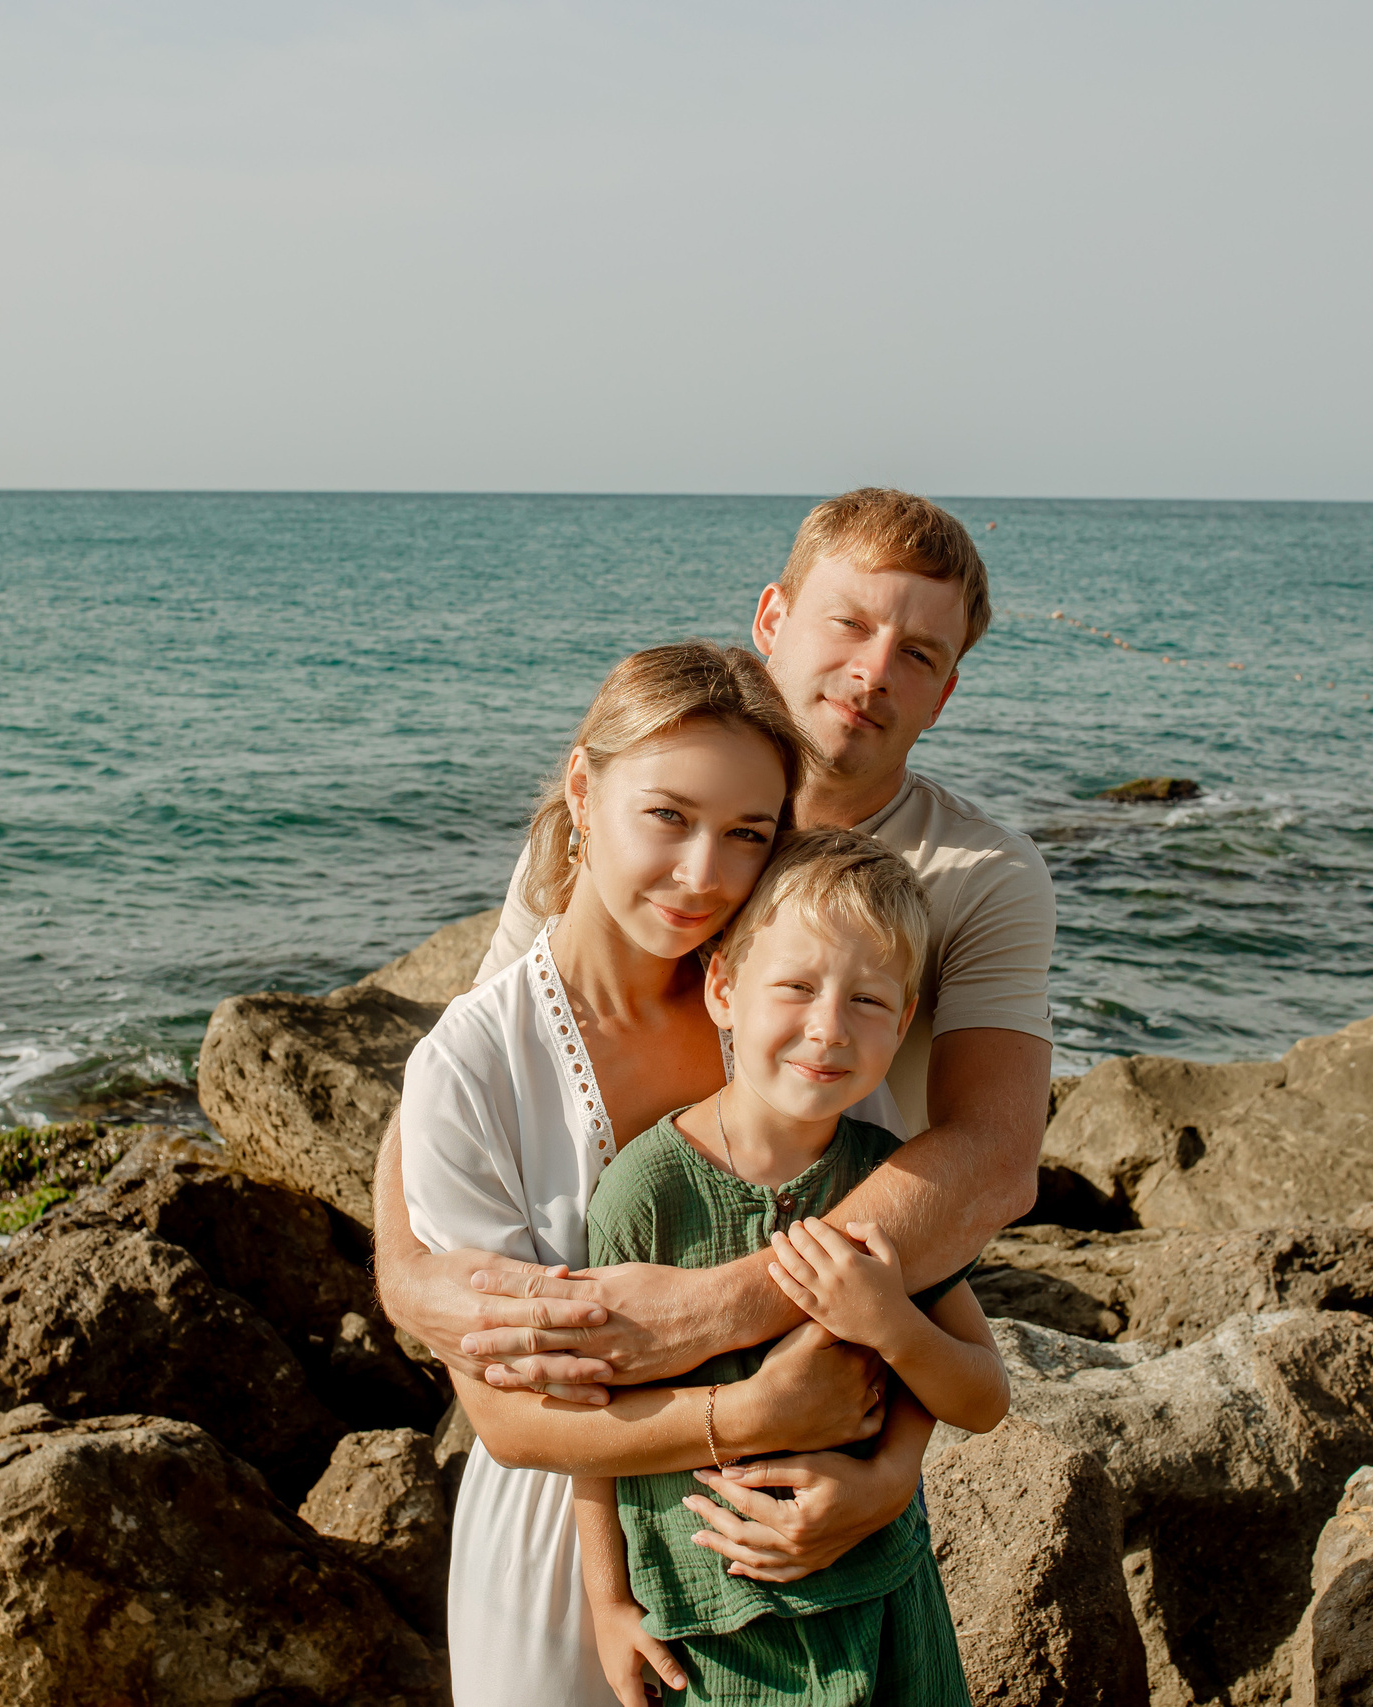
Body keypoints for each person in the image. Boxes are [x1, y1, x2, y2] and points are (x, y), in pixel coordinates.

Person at [379, 489, 1054, 1586]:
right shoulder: (641, 818)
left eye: (919, 653)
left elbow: (993, 1159)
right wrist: (406, 1274)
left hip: (810, 1412)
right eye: (848, 623)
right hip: (595, 1429)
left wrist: (719, 1319)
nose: (873, 671)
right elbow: (468, 1065)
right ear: (772, 618)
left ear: (946, 690)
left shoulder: (981, 876)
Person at [399, 639, 901, 1707]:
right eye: (668, 816)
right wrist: (755, 1413)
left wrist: (888, 1474)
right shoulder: (472, 1066)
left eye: (747, 833)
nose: (704, 874)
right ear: (583, 791)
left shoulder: (787, 1014)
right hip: (557, 1561)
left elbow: (892, 1260)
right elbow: (510, 1419)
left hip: (782, 1554)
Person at [577, 830, 1007, 1706]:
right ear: (724, 988)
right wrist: (608, 1602)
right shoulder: (646, 1192)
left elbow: (984, 1396)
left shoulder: (889, 1185)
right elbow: (591, 1416)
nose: (828, 1027)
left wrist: (891, 1322)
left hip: (886, 1601)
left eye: (868, 1000)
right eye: (797, 986)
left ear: (903, 1021)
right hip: (715, 1636)